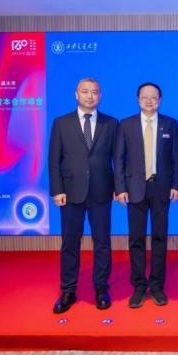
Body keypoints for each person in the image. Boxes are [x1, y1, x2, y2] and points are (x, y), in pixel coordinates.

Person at [48, 78, 118, 313]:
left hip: (101, 191)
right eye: (85, 92)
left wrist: (119, 187)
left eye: (95, 92)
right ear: (76, 95)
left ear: (100, 96)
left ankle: (101, 289)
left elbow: (118, 158)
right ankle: (68, 290)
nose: (90, 96)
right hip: (70, 192)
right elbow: (54, 160)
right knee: (70, 243)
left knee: (102, 242)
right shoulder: (61, 123)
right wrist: (57, 189)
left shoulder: (111, 123)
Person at [114, 82, 178, 308]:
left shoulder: (170, 124)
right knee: (136, 239)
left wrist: (175, 185)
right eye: (145, 97)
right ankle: (139, 286)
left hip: (161, 188)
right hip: (134, 188)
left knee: (160, 237)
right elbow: (119, 159)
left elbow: (176, 157)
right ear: (138, 99)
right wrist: (120, 188)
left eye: (154, 97)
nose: (149, 101)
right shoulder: (126, 125)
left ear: (160, 100)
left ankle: (157, 286)